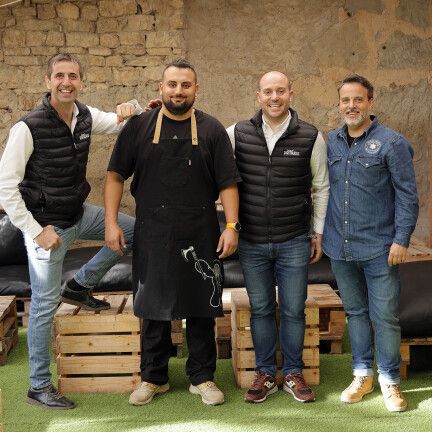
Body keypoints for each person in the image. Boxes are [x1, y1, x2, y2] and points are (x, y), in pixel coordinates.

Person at [0, 53, 141, 409]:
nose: (66, 82)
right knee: (44, 306)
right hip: (46, 228)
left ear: (81, 82)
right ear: (48, 81)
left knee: (134, 230)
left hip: (79, 215)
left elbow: (120, 121)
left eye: (73, 76)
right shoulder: (28, 127)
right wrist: (36, 232)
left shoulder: (85, 117)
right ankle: (38, 386)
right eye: (59, 75)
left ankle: (79, 285)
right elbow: (5, 187)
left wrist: (136, 107)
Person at [104, 58, 241, 407]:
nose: (178, 91)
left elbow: (228, 183)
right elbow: (115, 175)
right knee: (152, 307)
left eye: (185, 85)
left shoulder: (212, 130)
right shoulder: (137, 127)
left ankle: (202, 377)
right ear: (160, 88)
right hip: (153, 232)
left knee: (202, 305)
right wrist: (110, 221)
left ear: (196, 89)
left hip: (201, 231)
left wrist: (230, 226)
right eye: (172, 84)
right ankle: (153, 377)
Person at [226, 71, 329, 403]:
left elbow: (322, 187)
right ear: (258, 96)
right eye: (268, 92)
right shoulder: (237, 133)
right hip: (252, 240)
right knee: (260, 309)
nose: (274, 97)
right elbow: (220, 176)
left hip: (294, 240)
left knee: (294, 309)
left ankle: (294, 372)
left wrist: (318, 233)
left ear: (291, 94)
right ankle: (266, 373)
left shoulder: (311, 136)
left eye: (280, 91)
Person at [323, 74, 419, 412]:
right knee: (355, 313)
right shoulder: (331, 141)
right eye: (345, 100)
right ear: (339, 104)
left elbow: (408, 195)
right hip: (340, 247)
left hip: (380, 248)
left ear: (371, 102)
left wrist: (401, 239)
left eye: (358, 100)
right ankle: (361, 374)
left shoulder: (392, 143)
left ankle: (390, 380)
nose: (351, 106)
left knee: (385, 317)